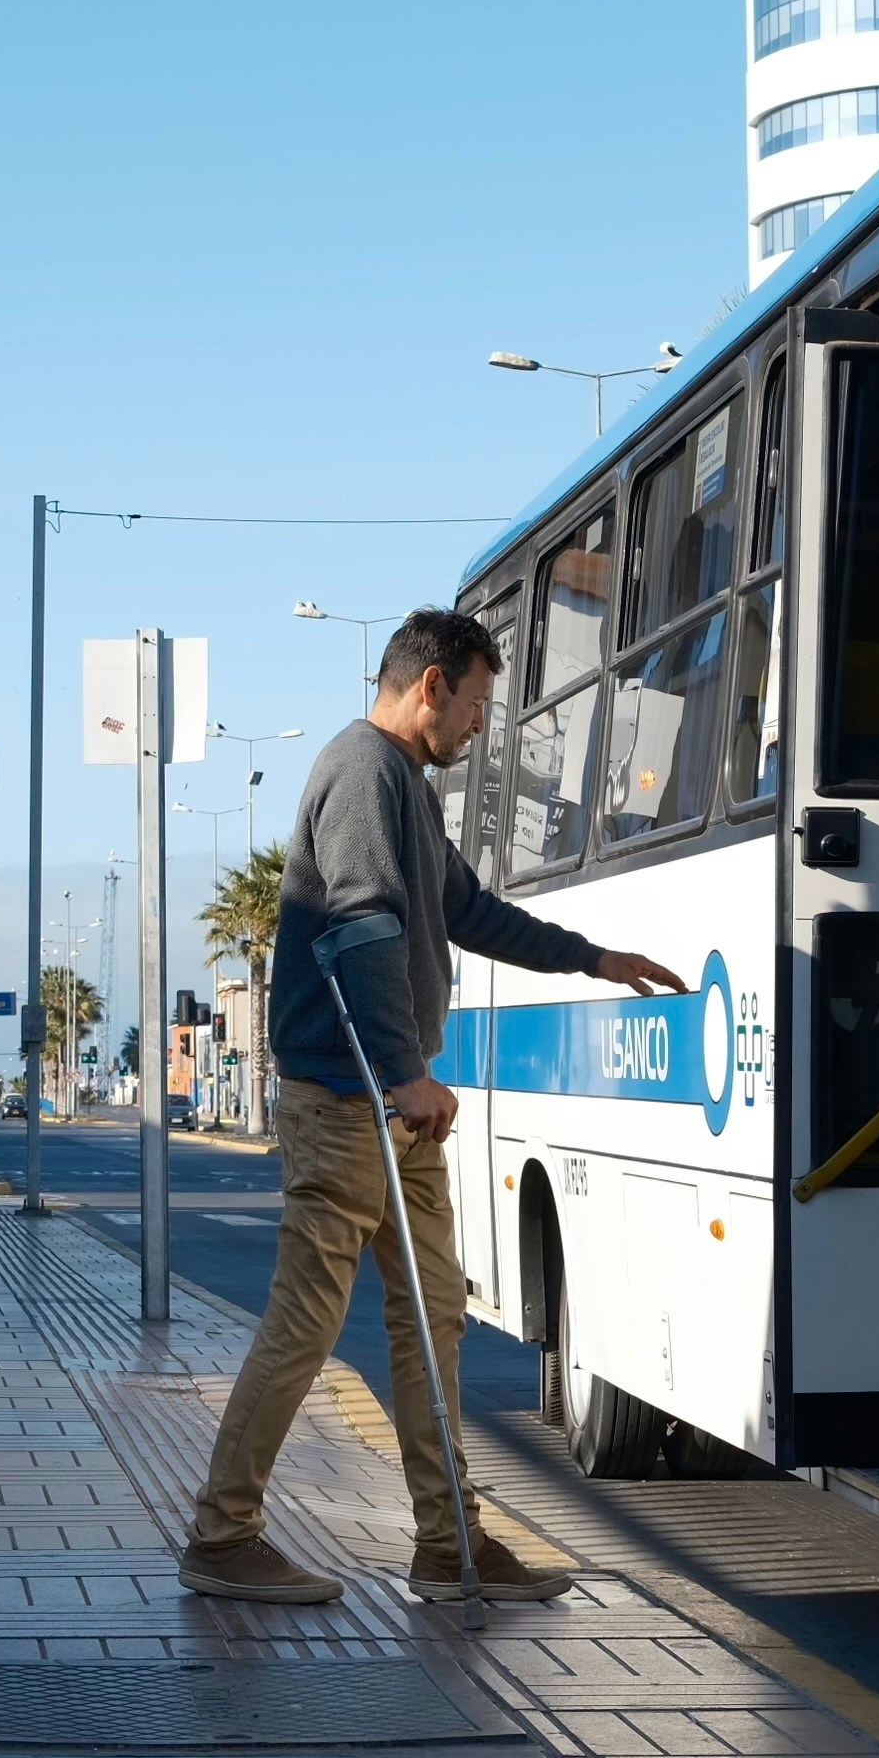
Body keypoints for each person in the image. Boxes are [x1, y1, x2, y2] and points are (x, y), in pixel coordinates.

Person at [181, 609, 685, 1605]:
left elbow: (463, 908)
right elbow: (363, 927)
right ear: (431, 686)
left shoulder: (403, 786)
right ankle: (221, 1534)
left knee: (433, 1315)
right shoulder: (362, 771)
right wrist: (404, 1071)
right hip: (348, 1095)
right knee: (307, 1320)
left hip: (393, 1105)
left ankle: (449, 1542)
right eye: (475, 708)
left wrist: (590, 957)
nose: (475, 731)